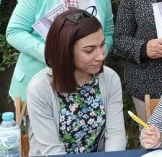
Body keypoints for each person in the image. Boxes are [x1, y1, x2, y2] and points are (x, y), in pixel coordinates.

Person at [27, 8, 126, 155]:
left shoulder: (109, 78)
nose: (100, 56)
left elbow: (115, 134)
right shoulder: (39, 88)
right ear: (65, 51)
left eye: (101, 45)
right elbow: (52, 150)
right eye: (89, 50)